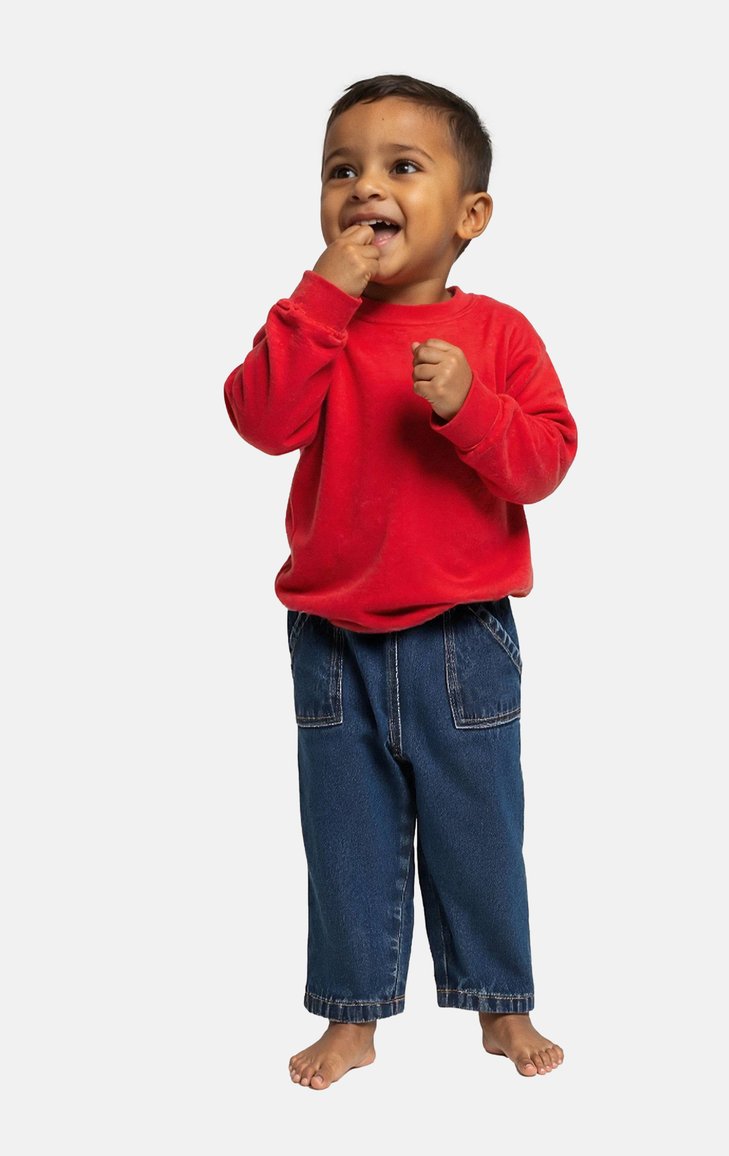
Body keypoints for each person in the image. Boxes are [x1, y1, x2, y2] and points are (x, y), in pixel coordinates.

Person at [223, 74, 578, 1090]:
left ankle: (500, 1002)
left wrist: (472, 408)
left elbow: (545, 463)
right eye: (342, 170)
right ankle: (351, 1015)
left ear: (470, 215)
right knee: (346, 838)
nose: (365, 187)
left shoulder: (498, 335)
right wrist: (320, 295)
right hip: (332, 639)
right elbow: (259, 419)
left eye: (401, 167)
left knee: (478, 831)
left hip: (462, 638)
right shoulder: (314, 326)